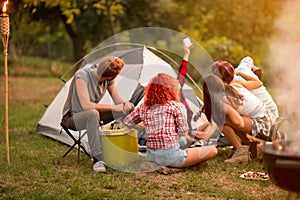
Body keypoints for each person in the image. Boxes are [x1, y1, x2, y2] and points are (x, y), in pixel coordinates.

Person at [123, 73, 218, 169]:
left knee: (182, 141)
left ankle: (160, 163)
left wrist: (145, 126)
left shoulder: (143, 107)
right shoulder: (174, 106)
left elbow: (127, 122)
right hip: (171, 156)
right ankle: (175, 164)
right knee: (213, 150)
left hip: (151, 155)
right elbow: (183, 131)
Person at [61, 56, 134, 172]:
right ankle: (98, 159)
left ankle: (124, 149)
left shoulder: (108, 79)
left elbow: (117, 100)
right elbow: (86, 106)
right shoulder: (82, 75)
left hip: (92, 116)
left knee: (126, 109)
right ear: (112, 76)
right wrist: (114, 107)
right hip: (72, 118)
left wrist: (126, 104)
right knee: (92, 113)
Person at [206, 60, 277, 164]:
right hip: (269, 118)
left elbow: (239, 122)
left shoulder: (224, 98)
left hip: (264, 124)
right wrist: (239, 73)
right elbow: (258, 83)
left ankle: (241, 153)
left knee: (223, 121)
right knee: (229, 119)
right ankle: (250, 146)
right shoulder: (236, 83)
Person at [178, 43, 218, 147]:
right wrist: (193, 134)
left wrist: (186, 53)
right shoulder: (171, 105)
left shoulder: (177, 90)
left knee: (206, 121)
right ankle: (200, 141)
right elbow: (176, 130)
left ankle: (202, 141)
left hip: (186, 129)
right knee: (210, 124)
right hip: (180, 135)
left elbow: (182, 72)